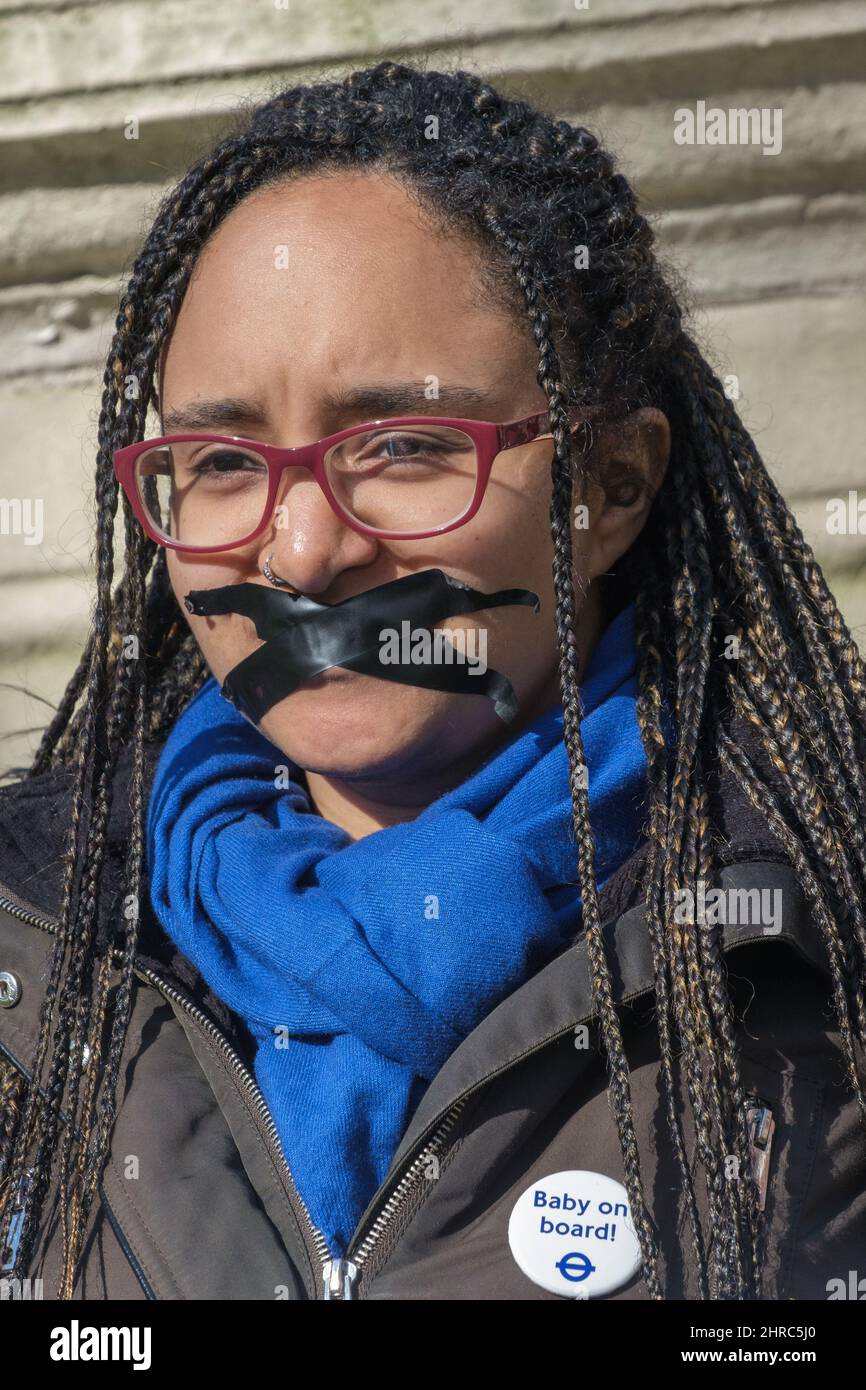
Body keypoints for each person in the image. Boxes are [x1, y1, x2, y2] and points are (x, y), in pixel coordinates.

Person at [0, 60, 864, 1302]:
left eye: (404, 446)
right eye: (222, 459)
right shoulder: (39, 957)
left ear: (609, 486)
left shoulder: (804, 947)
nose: (301, 552)